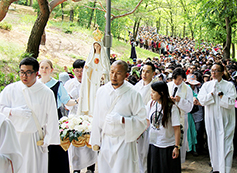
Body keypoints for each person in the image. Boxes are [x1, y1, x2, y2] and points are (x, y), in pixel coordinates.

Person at [0, 57, 60, 173]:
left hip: (35, 139)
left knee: (33, 168)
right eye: (22, 72)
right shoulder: (11, 90)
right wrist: (12, 111)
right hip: (14, 137)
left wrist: (48, 138)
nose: (24, 76)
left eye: (28, 73)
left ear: (36, 73)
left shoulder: (46, 92)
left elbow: (52, 117)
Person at [90, 60, 147, 173]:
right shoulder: (102, 91)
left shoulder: (133, 94)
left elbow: (142, 121)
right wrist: (95, 140)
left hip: (124, 142)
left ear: (126, 75)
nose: (114, 76)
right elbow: (96, 117)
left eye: (118, 73)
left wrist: (123, 120)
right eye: (112, 72)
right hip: (106, 141)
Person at [39, 59, 79, 173]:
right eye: (42, 67)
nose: (44, 70)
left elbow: (66, 101)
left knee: (56, 147)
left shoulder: (57, 84)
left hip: (55, 117)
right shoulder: (35, 85)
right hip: (39, 118)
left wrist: (77, 101)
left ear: (51, 70)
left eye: (47, 67)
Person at [198, 63, 237, 173]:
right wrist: (211, 94)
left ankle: (225, 169)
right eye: (212, 71)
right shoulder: (206, 85)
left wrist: (220, 94)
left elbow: (230, 103)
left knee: (226, 145)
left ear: (222, 72)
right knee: (213, 142)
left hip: (226, 120)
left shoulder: (229, 85)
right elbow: (201, 100)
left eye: (216, 71)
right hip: (212, 118)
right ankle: (215, 168)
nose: (213, 73)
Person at [64, 59, 97, 173]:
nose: (79, 73)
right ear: (73, 71)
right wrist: (76, 101)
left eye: (82, 71)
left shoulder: (91, 83)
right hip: (74, 115)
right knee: (75, 145)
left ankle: (91, 168)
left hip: (88, 116)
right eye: (77, 71)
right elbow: (66, 103)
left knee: (88, 143)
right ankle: (76, 168)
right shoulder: (69, 84)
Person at [147, 81, 181, 173]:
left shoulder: (172, 108)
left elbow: (177, 128)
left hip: (167, 145)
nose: (151, 94)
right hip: (154, 143)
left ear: (161, 93)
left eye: (154, 92)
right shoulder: (152, 104)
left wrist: (176, 146)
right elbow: (147, 121)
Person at [167, 67, 193, 163]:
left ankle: (179, 162)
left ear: (183, 79)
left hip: (181, 117)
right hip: (168, 117)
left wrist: (180, 101)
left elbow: (190, 107)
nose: (177, 82)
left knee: (179, 140)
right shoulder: (168, 86)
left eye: (179, 79)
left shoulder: (187, 89)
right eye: (175, 79)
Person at [78, 41, 110, 116]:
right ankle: (91, 111)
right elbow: (90, 65)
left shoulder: (103, 57)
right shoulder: (92, 56)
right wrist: (87, 68)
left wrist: (103, 74)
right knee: (92, 93)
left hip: (100, 78)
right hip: (93, 78)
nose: (96, 48)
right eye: (95, 46)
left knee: (99, 93)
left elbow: (105, 67)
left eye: (98, 46)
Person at [134, 61, 156, 173]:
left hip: (148, 123)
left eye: (147, 72)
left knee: (145, 151)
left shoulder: (154, 88)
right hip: (135, 121)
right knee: (136, 151)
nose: (144, 74)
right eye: (143, 71)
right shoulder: (136, 86)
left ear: (153, 74)